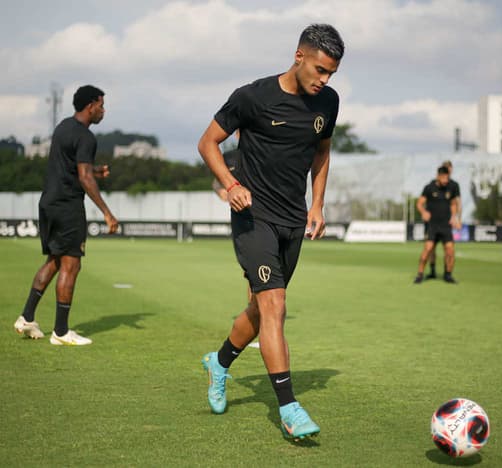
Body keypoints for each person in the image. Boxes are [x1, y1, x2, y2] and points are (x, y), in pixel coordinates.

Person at [197, 24, 344, 441]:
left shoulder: (328, 102)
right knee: (275, 305)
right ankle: (290, 409)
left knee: (261, 312)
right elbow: (208, 142)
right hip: (252, 216)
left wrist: (316, 205)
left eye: (331, 74)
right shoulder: (253, 97)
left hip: (293, 220)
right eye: (319, 69)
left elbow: (322, 151)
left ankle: (219, 362)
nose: (324, 80)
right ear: (299, 56)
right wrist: (231, 183)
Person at [14, 85, 119, 345]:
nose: (103, 111)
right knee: (71, 264)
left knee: (55, 261)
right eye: (101, 105)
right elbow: (82, 177)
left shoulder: (62, 127)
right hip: (67, 206)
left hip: (49, 203)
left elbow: (71, 168)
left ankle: (27, 318)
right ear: (91, 105)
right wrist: (107, 213)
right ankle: (61, 332)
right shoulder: (86, 137)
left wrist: (94, 171)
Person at [414, 166, 461, 284]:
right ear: (438, 176)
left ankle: (448, 274)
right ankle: (420, 274)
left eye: (447, 177)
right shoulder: (429, 188)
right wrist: (423, 212)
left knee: (450, 250)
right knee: (428, 248)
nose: (446, 180)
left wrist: (454, 217)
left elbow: (454, 204)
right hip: (433, 225)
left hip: (446, 226)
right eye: (444, 177)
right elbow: (419, 203)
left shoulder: (452, 187)